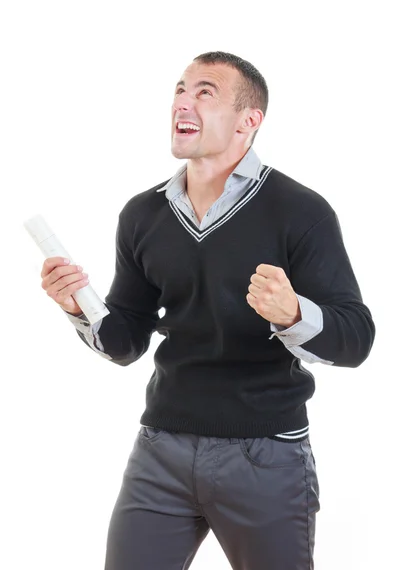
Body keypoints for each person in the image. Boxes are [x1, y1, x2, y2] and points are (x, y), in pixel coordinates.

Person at [40, 51, 375, 569]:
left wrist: (292, 314)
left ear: (249, 121)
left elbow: (356, 340)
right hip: (161, 449)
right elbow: (126, 340)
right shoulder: (143, 213)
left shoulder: (300, 211)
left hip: (266, 454)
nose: (183, 100)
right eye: (179, 88)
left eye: (204, 92)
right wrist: (78, 308)